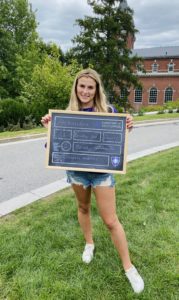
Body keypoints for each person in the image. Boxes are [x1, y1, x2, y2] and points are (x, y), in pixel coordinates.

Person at [41, 68, 144, 294]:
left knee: (110, 220)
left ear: (96, 89)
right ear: (76, 88)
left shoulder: (108, 111)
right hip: (77, 173)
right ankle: (89, 244)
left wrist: (127, 125)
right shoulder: (66, 114)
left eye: (90, 87)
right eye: (82, 86)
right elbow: (53, 150)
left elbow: (117, 141)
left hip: (102, 174)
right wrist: (50, 130)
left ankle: (129, 267)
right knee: (83, 207)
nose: (85, 91)